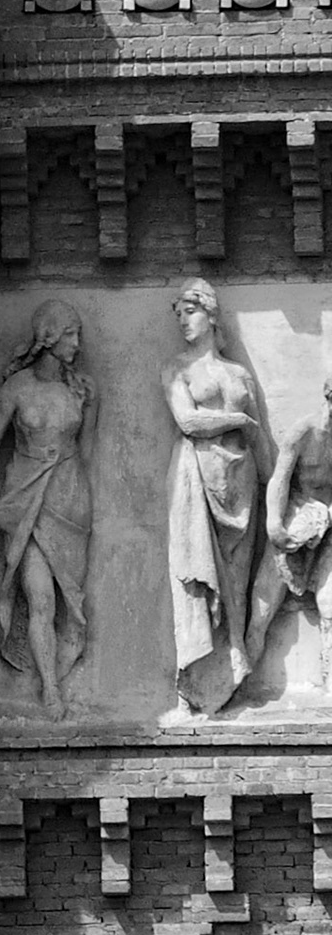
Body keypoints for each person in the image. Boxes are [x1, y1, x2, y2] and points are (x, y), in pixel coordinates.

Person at [0, 301, 95, 720]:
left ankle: (61, 664)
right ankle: (50, 688)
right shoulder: (16, 388)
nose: (77, 343)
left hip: (69, 498)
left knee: (69, 596)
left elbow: (87, 452)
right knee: (40, 595)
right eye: (70, 334)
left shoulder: (81, 390)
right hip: (26, 495)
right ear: (48, 337)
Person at [164, 279, 270, 715]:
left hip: (241, 482)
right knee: (199, 578)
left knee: (238, 582)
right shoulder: (177, 369)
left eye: (190, 312)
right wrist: (237, 420)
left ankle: (235, 667)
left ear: (210, 314)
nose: (183, 322)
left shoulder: (239, 373)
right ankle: (198, 676)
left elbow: (260, 441)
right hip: (196, 478)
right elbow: (187, 421)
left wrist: (276, 492)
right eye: (179, 315)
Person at [246, 371, 332, 690]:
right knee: (263, 605)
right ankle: (242, 677)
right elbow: (279, 479)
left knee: (329, 604)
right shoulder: (304, 432)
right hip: (295, 520)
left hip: (328, 525)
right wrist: (274, 524)